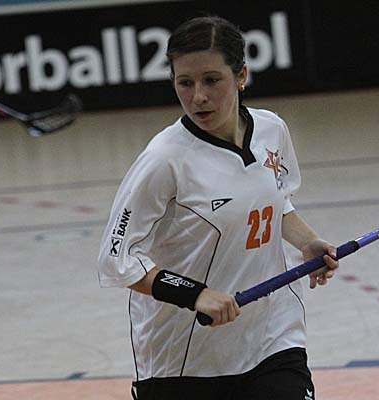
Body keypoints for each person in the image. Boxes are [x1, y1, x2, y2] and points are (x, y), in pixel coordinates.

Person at [97, 15, 339, 400]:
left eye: (212, 80)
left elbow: (277, 200)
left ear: (241, 75)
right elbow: (115, 258)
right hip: (184, 359)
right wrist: (194, 294)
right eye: (185, 83)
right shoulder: (164, 159)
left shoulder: (272, 130)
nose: (198, 97)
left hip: (272, 336)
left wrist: (306, 241)